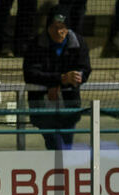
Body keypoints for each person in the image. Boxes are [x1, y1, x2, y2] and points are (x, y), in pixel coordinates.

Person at [24, 7, 91, 151]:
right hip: (41, 102)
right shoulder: (35, 44)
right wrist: (61, 79)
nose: (58, 31)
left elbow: (85, 69)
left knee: (66, 144)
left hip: (69, 102)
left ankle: (63, 171)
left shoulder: (79, 43)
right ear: (48, 27)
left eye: (62, 28)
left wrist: (76, 77)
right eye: (54, 27)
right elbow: (30, 74)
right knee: (53, 143)